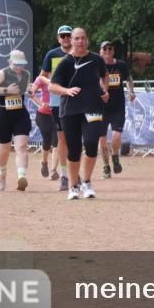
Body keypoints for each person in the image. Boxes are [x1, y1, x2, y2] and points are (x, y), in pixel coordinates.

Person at [49, 27, 109, 201]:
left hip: (93, 108)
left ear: (87, 40)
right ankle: (73, 186)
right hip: (70, 111)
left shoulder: (97, 59)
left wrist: (105, 90)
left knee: (91, 143)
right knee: (74, 150)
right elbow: (52, 86)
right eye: (77, 38)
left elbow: (105, 75)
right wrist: (66, 91)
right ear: (72, 41)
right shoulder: (66, 62)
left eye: (83, 38)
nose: (80, 41)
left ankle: (87, 183)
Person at [0, 50, 33, 192]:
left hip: (20, 114)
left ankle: (21, 177)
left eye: (22, 64)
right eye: (17, 64)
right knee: (4, 149)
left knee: (22, 146)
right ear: (10, 62)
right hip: (3, 115)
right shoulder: (2, 73)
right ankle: (2, 173)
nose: (20, 67)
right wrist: (6, 90)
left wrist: (30, 90)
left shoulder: (26, 74)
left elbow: (25, 88)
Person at [41, 25, 74, 191]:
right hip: (57, 102)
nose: (66, 38)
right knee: (61, 139)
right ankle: (64, 175)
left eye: (68, 35)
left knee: (75, 138)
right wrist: (53, 82)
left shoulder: (79, 54)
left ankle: (74, 172)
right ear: (58, 38)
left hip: (77, 101)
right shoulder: (52, 54)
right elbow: (41, 77)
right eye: (63, 36)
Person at [97, 41, 135, 178]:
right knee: (102, 138)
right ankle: (106, 167)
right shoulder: (96, 65)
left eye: (110, 48)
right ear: (100, 51)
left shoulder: (121, 65)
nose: (107, 51)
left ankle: (114, 156)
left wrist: (131, 91)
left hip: (117, 106)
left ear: (113, 51)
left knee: (116, 135)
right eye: (104, 48)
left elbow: (128, 79)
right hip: (100, 107)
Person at [29, 73, 57, 179]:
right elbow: (31, 93)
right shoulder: (41, 78)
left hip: (57, 114)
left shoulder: (62, 76)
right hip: (43, 115)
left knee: (57, 142)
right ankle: (44, 162)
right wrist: (41, 104)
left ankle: (53, 170)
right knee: (47, 142)